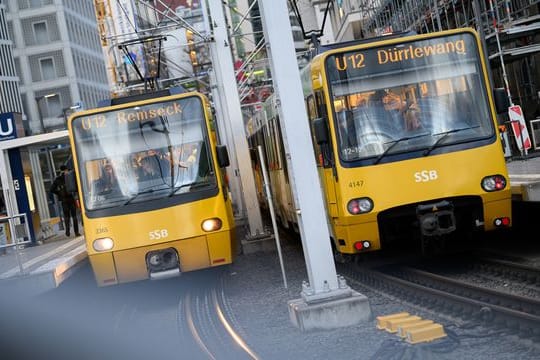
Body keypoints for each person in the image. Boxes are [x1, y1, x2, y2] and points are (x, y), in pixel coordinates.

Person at [50, 165, 80, 237]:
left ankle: (67, 231)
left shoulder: (58, 179)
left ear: (60, 170)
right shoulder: (70, 177)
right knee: (74, 216)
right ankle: (76, 232)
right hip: (71, 198)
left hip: (64, 200)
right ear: (66, 169)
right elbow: (76, 186)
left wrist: (59, 193)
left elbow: (51, 189)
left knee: (66, 216)